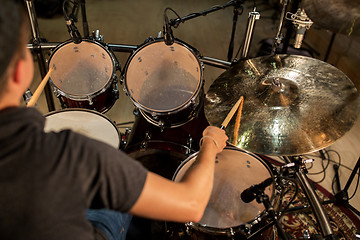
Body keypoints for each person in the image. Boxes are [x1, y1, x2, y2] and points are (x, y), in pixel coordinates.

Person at [0, 1, 228, 240]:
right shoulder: (71, 156)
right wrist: (210, 143)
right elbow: (190, 203)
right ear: (20, 71)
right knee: (115, 203)